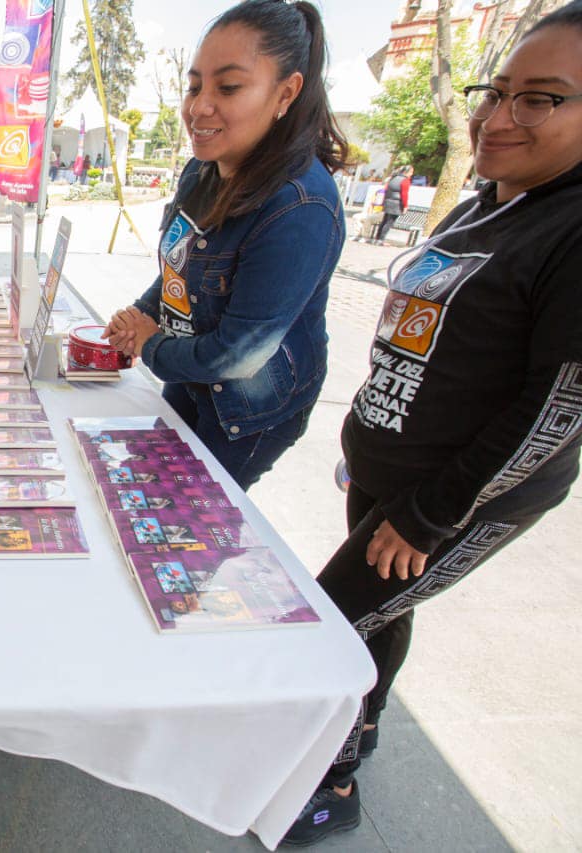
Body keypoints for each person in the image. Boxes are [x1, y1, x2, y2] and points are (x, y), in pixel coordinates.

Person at [281, 6, 582, 844]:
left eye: (541, 99)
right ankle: (364, 724)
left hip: (460, 495)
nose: (496, 117)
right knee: (383, 609)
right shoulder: (489, 201)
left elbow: (554, 414)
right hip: (394, 474)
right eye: (498, 92)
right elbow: (422, 345)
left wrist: (427, 513)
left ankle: (333, 781)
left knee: (333, 620)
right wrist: (367, 445)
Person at [104, 0, 347, 490]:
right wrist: (138, 316)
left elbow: (239, 355)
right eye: (194, 86)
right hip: (187, 368)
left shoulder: (299, 206)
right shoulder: (204, 169)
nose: (199, 107)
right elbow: (180, 265)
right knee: (147, 490)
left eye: (228, 87)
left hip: (247, 406)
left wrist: (150, 343)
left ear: (286, 92)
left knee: (188, 521)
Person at [372, 164, 412, 244]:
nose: (411, 174)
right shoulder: (405, 181)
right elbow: (404, 194)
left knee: (384, 220)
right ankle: (381, 239)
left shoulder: (393, 178)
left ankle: (377, 238)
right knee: (389, 222)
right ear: (407, 172)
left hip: (388, 201)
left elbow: (386, 190)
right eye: (411, 172)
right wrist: (405, 206)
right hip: (396, 203)